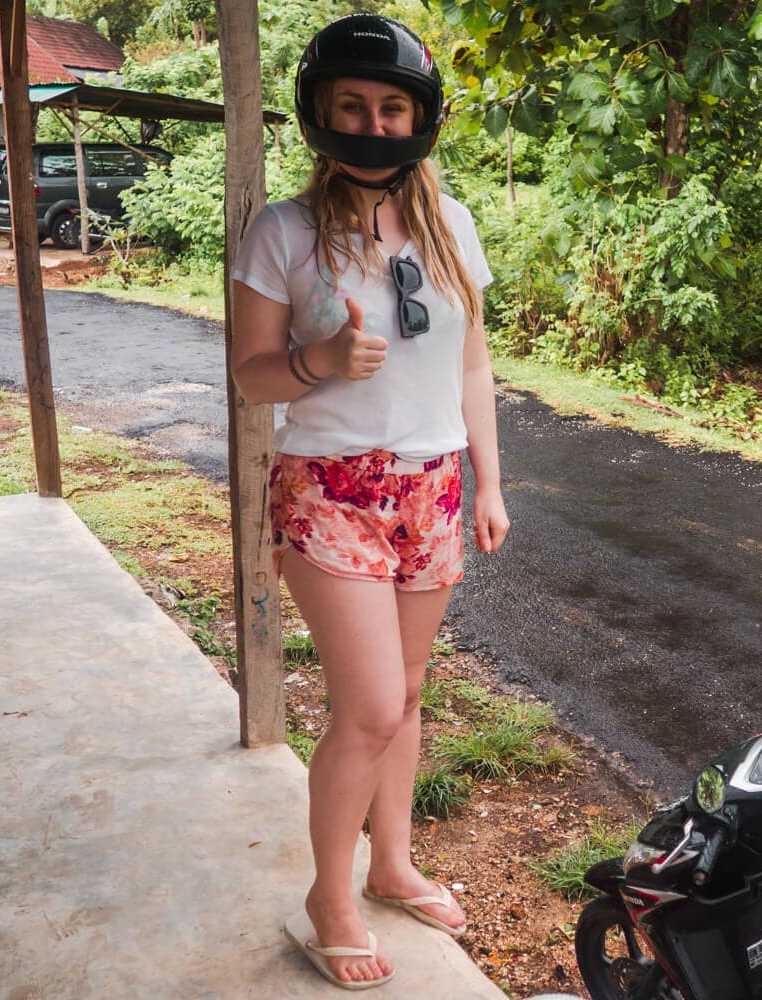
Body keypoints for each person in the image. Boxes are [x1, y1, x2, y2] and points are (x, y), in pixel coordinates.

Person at [230, 13, 509, 990]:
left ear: (419, 117)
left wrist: (490, 479)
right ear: (320, 113)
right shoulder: (284, 232)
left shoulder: (450, 223)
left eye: (392, 106)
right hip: (329, 488)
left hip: (432, 485)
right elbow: (251, 377)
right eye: (353, 104)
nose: (374, 122)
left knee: (411, 696)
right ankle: (330, 896)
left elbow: (471, 359)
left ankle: (391, 865)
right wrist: (321, 360)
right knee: (371, 706)